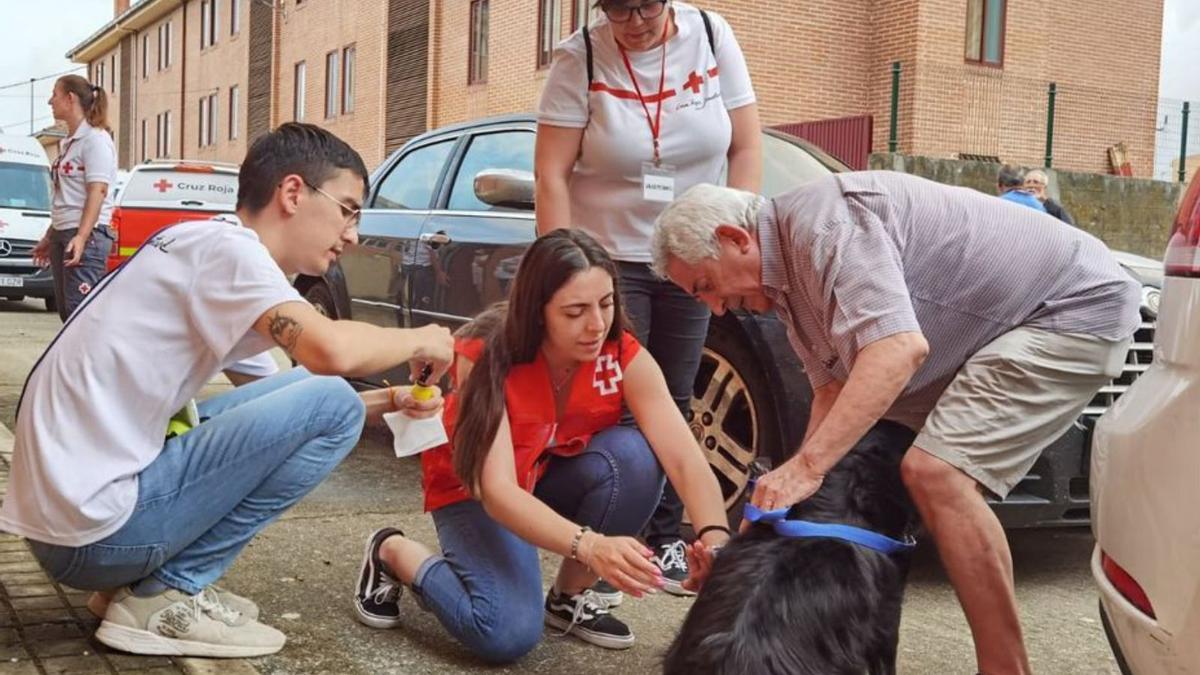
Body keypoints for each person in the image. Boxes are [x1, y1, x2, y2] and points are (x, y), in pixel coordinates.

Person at [651, 172, 1141, 675]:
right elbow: (833, 392)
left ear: (736, 239)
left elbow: (899, 350)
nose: (713, 307)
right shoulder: (788, 281)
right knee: (894, 458)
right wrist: (782, 500)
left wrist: (807, 468)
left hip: (1073, 308)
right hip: (1006, 324)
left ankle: (1005, 669)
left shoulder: (823, 227)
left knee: (936, 474)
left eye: (706, 286)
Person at [0, 123, 455, 658]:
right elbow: (330, 355)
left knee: (322, 396)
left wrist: (387, 401)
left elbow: (291, 406)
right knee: (328, 392)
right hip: (92, 536)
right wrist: (424, 336)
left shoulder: (205, 242)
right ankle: (166, 596)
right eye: (348, 209)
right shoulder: (231, 254)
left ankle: (134, 590)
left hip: (71, 527)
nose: (353, 234)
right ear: (292, 193)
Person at [350, 229, 731, 662]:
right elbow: (496, 492)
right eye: (575, 311)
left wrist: (716, 545)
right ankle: (392, 551)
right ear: (537, 313)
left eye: (605, 304)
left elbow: (683, 458)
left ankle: (569, 595)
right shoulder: (487, 354)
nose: (596, 325)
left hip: (543, 474)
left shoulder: (620, 353)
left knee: (638, 458)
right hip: (474, 491)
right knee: (504, 633)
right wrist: (589, 544)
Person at [534, 0, 762, 594]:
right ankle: (615, 549)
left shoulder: (712, 35)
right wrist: (562, 267)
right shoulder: (579, 56)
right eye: (615, 8)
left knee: (677, 397)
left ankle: (666, 541)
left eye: (646, 6)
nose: (633, 21)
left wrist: (733, 230)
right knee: (624, 403)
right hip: (611, 257)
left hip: (693, 251)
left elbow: (745, 145)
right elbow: (551, 173)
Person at [32, 75, 117, 321]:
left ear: (70, 99)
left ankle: (95, 360)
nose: (50, 101)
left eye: (54, 95)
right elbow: (69, 196)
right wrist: (51, 234)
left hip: (86, 236)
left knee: (80, 315)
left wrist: (81, 236)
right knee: (67, 313)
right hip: (64, 232)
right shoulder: (69, 142)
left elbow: (97, 191)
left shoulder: (95, 140)